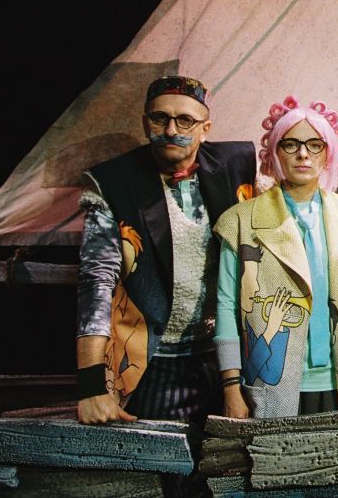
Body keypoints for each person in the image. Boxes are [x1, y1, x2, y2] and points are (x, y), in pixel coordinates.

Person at [75, 76, 255, 494]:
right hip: (154, 360)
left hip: (224, 358)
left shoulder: (235, 166)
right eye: (160, 119)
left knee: (228, 478)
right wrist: (91, 386)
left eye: (185, 121)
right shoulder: (115, 182)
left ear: (205, 128)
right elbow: (96, 283)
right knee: (161, 481)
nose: (172, 130)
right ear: (145, 122)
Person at [214, 96, 338, 417]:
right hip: (271, 379)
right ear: (275, 152)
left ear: (328, 153)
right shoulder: (240, 221)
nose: (303, 153)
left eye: (315, 144)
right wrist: (230, 386)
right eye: (291, 144)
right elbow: (227, 305)